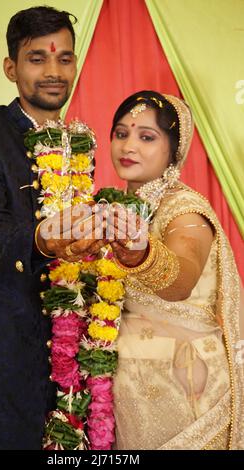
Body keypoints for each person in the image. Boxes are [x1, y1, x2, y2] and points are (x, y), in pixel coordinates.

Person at [0, 6, 104, 450]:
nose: (54, 71)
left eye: (65, 58)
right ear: (10, 67)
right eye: (38, 58)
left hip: (58, 355)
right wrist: (43, 238)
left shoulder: (79, 145)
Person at [106, 91, 244, 449]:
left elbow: (181, 279)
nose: (128, 145)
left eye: (146, 137)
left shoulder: (185, 211)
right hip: (132, 392)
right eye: (121, 134)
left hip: (185, 390)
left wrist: (140, 255)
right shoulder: (117, 208)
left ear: (174, 150)